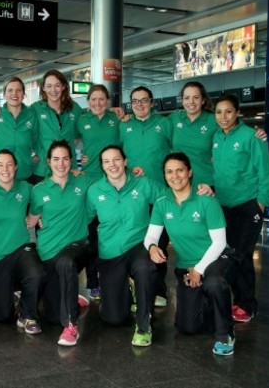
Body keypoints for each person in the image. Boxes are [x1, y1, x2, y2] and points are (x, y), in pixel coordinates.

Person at [145, 152, 236, 356]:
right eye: (169, 172)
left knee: (214, 283)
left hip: (217, 259)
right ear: (164, 175)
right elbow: (151, 236)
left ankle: (225, 334)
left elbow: (220, 242)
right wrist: (152, 247)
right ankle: (210, 305)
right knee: (188, 327)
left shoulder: (206, 200)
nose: (175, 176)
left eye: (180, 170)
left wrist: (199, 270)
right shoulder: (162, 202)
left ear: (190, 172)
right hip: (186, 265)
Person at [86, 145, 160, 347]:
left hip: (139, 245)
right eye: (107, 161)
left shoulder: (143, 183)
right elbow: (80, 217)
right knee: (114, 319)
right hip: (110, 252)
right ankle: (128, 289)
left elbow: (170, 197)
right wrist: (44, 219)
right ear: (101, 166)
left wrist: (201, 191)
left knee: (145, 268)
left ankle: (144, 327)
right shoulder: (94, 191)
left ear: (125, 161)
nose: (113, 165)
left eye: (117, 159)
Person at [213, 93, 269, 323]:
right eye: (219, 112)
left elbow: (266, 174)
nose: (224, 116)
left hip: (248, 206)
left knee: (242, 255)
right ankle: (235, 299)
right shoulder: (217, 137)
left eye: (228, 111)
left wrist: (260, 205)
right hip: (224, 206)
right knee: (229, 252)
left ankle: (246, 305)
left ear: (238, 112)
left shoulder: (253, 137)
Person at [27, 140, 92, 347]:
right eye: (56, 159)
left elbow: (111, 181)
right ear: (48, 162)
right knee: (53, 315)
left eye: (65, 158)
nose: (61, 163)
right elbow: (32, 220)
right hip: (48, 252)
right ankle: (71, 298)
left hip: (76, 246)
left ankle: (71, 326)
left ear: (71, 161)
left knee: (66, 263)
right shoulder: (39, 190)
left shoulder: (83, 182)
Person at [0, 149, 45, 333]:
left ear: (16, 167)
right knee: (2, 316)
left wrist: (38, 214)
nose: (5, 169)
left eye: (9, 164)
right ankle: (9, 294)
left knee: (36, 273)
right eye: (0, 165)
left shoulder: (26, 188)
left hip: (21, 247)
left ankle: (28, 315)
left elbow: (49, 192)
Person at [120, 86, 173, 307]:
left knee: (159, 242)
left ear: (152, 103)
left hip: (159, 195)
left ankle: (158, 288)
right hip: (133, 195)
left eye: (144, 100)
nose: (139, 104)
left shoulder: (165, 124)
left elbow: (181, 149)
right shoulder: (124, 126)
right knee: (134, 241)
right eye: (135, 101)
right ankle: (132, 287)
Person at [76, 84, 121, 301]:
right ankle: (93, 283)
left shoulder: (117, 120)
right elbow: (69, 140)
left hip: (113, 183)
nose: (97, 103)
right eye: (93, 99)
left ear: (108, 101)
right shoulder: (82, 120)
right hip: (89, 183)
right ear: (88, 101)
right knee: (92, 236)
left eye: (101, 99)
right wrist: (79, 158)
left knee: (112, 234)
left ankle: (115, 279)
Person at [30, 70, 85, 182]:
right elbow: (19, 126)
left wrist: (113, 112)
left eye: (57, 85)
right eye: (49, 86)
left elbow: (83, 132)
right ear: (43, 88)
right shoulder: (35, 109)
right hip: (43, 171)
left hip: (68, 170)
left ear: (64, 86)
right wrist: (29, 154)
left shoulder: (75, 109)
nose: (53, 90)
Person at [0, 77, 39, 183]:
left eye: (19, 90)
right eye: (10, 90)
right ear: (4, 94)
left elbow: (37, 142)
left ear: (23, 94)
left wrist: (35, 155)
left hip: (24, 175)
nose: (15, 94)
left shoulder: (32, 116)